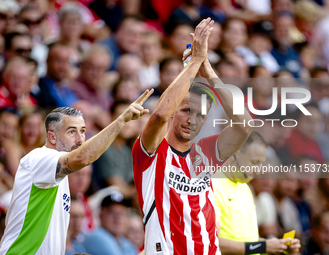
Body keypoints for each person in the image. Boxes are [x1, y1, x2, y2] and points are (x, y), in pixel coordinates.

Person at [132, 18, 253, 254]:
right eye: (187, 111)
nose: (193, 120)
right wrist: (194, 62)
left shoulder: (206, 151)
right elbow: (158, 116)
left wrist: (206, 67)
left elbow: (245, 125)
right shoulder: (152, 150)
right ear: (174, 113)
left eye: (201, 115)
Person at [0, 88, 153, 254]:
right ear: (52, 137)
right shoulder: (40, 158)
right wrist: (121, 121)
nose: (80, 139)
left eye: (83, 131)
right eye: (72, 131)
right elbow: (83, 158)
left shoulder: (60, 176)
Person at [213, 131, 301, 255]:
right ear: (233, 154)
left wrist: (279, 246)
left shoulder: (245, 187)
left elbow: (247, 240)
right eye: (254, 162)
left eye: (261, 164)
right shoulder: (212, 185)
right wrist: (263, 246)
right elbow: (211, 242)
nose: (258, 170)